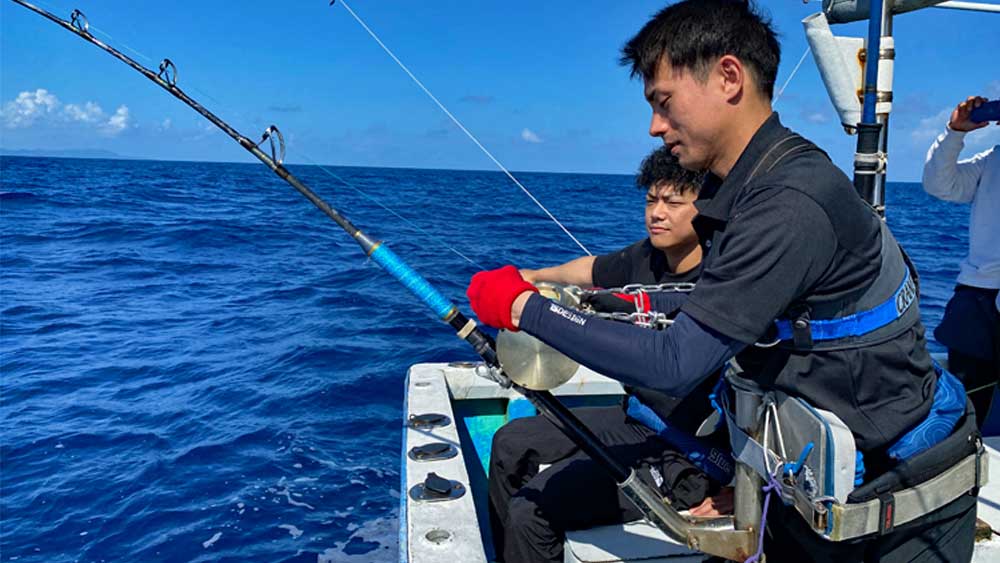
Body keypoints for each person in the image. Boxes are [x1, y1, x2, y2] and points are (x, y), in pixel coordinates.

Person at [466, 1, 980, 561]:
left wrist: (523, 308)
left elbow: (675, 360)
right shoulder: (741, 194)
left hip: (900, 505)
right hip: (810, 483)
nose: (654, 126)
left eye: (663, 102)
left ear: (729, 78)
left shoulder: (788, 201)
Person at [487, 146, 730, 563]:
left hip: (689, 456)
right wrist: (529, 278)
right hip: (636, 417)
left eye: (673, 202)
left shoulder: (729, 279)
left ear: (705, 209)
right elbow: (590, 270)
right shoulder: (646, 258)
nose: (657, 212)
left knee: (531, 511)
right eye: (651, 199)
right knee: (510, 444)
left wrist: (744, 489)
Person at [921, 95, 1000, 430]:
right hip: (978, 297)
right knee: (966, 408)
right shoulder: (992, 161)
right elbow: (941, 184)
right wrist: (955, 132)